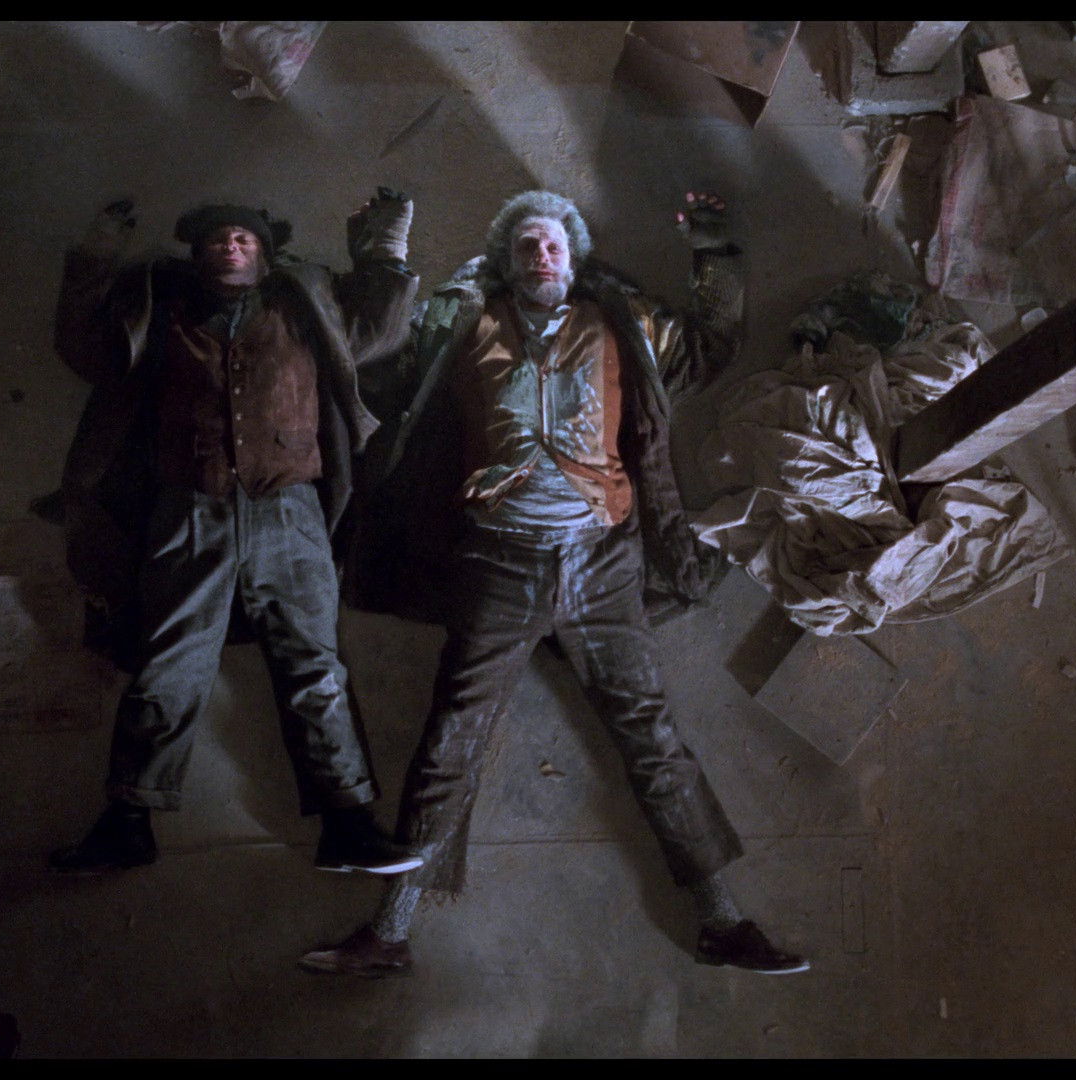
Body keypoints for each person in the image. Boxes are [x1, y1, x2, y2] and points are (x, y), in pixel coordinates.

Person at [305, 189, 809, 976]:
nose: (540, 256)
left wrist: (714, 254)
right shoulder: (460, 324)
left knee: (651, 737)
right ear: (507, 264)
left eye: (552, 245)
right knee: (451, 737)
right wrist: (383, 258)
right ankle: (390, 932)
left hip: (602, 562)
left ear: (572, 261)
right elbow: (375, 366)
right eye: (525, 247)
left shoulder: (625, 324)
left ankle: (723, 919)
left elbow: (707, 349)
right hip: (497, 562)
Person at [44, 190, 423, 877]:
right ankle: (127, 823)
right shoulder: (159, 311)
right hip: (190, 510)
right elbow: (84, 346)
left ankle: (347, 824)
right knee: (170, 668)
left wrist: (387, 246)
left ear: (266, 256)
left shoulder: (306, 309)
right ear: (197, 255)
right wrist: (97, 252)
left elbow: (379, 329)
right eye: (218, 239)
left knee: (316, 669)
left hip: (291, 513)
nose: (231, 246)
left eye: (244, 239)